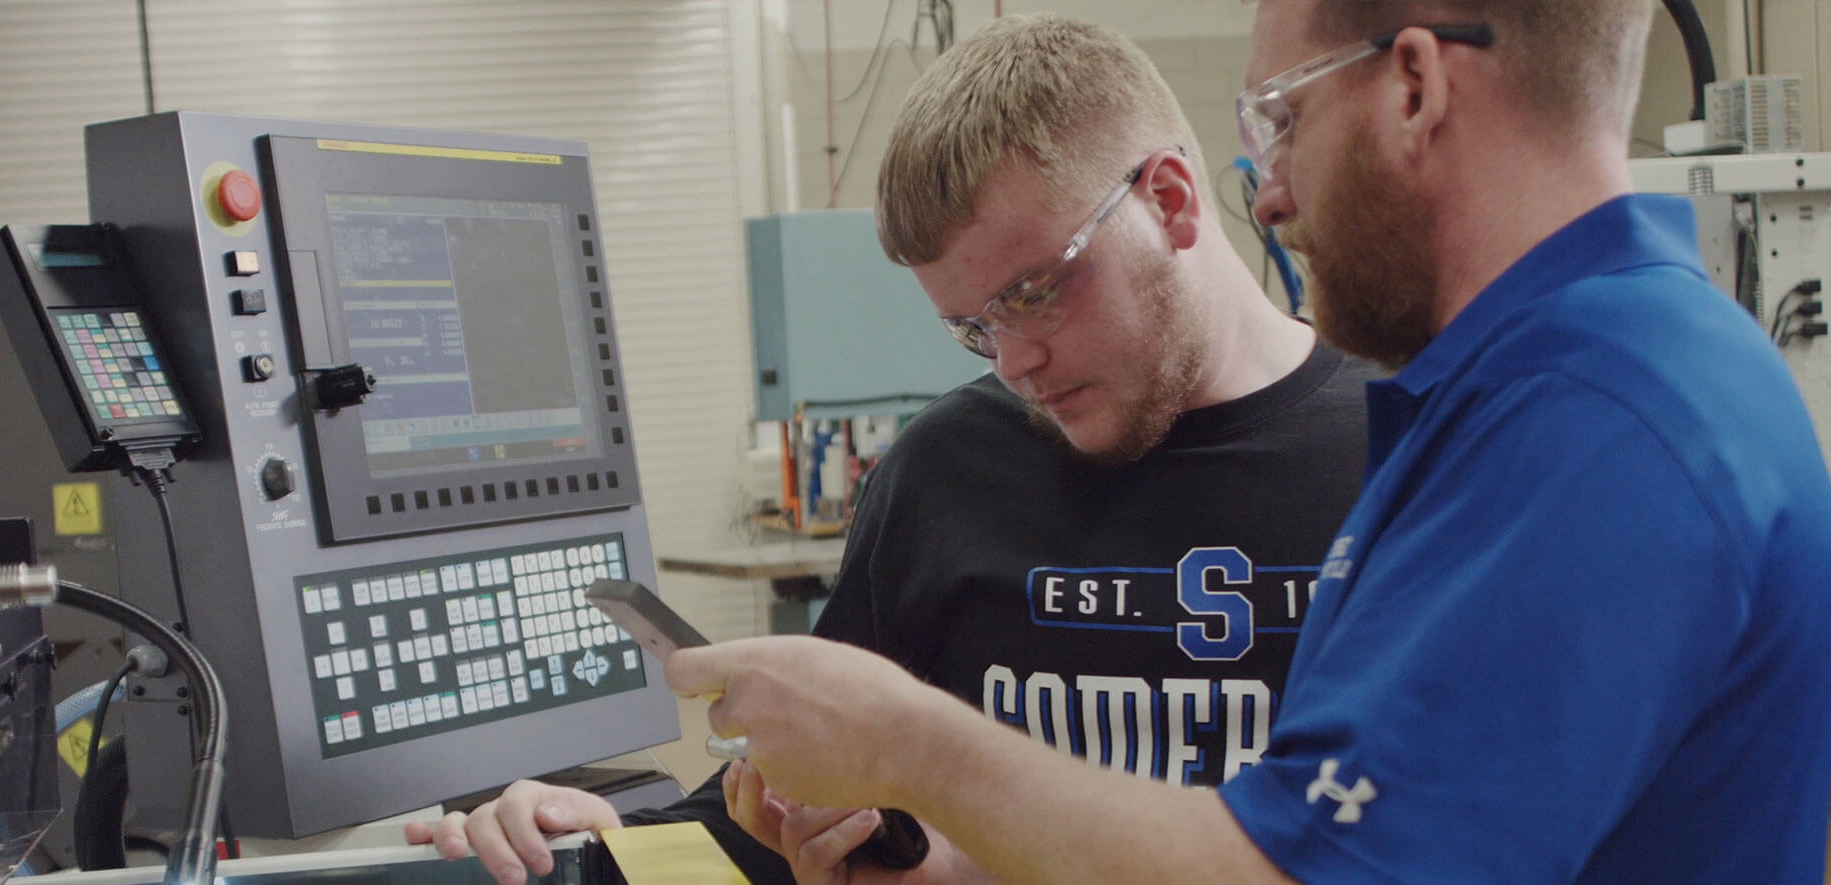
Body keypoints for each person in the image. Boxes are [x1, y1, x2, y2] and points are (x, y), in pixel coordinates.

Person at [666, 0, 1831, 882]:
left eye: (1280, 115)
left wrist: (910, 741)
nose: (1267, 189)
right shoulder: (1529, 398)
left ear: (1416, 88)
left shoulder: (1603, 425)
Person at [405, 14, 1376, 884]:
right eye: (973, 327)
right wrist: (615, 838)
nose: (1016, 362)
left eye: (1036, 291)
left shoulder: (1410, 463)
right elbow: (785, 806)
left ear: (1168, 199)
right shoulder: (947, 473)